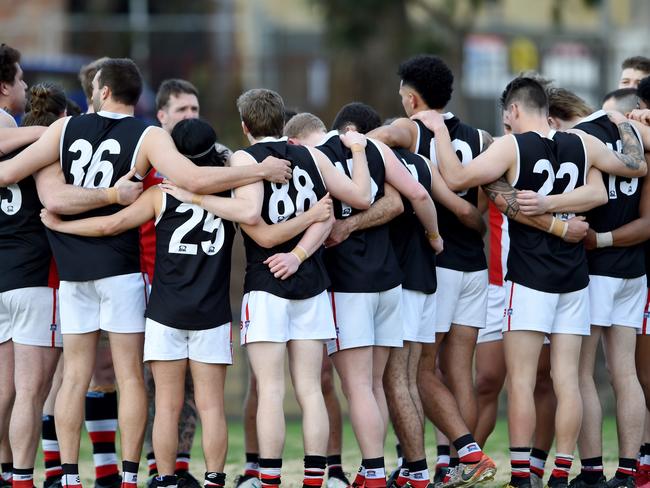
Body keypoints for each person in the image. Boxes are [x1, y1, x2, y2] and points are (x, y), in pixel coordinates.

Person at [0, 58, 292, 488]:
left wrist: (62, 213)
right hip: (120, 269)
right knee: (129, 377)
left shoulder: (64, 129)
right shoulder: (149, 135)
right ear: (139, 99)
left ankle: (67, 477)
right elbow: (191, 177)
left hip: (74, 269)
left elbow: (8, 173)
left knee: (74, 377)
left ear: (100, 90)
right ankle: (131, 474)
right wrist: (258, 169)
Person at [416, 75, 646, 488]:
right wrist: (626, 124)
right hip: (575, 278)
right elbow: (634, 165)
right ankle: (560, 471)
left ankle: (522, 475)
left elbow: (455, 177)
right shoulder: (582, 143)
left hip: (530, 278)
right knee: (567, 379)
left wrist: (437, 133)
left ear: (514, 111)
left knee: (521, 380)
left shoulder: (510, 146)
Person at [232, 88, 373, 488]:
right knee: (311, 388)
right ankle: (316, 478)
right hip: (312, 281)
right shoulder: (314, 155)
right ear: (282, 122)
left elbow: (260, 233)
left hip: (266, 280)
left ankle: (270, 479)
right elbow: (360, 197)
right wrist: (359, 152)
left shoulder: (246, 158)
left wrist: (291, 250)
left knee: (272, 390)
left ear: (245, 127)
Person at [368, 54, 495, 487]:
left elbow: (371, 140)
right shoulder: (480, 136)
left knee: (418, 373)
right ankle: (457, 466)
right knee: (460, 372)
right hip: (474, 267)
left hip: (434, 267)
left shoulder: (410, 128)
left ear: (412, 97)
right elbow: (478, 216)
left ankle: (454, 455)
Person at [547, 87, 650, 488]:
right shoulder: (640, 142)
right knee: (624, 373)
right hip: (633, 271)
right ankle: (628, 470)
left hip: (592, 271)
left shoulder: (582, 137)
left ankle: (591, 470)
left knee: (581, 372)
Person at [0, 83, 66, 488]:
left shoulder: (11, 141)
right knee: (29, 393)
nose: (23, 85)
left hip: (1, 279)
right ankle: (23, 478)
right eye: (19, 78)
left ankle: (6, 473)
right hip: (33, 281)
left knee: (4, 391)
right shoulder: (42, 153)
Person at [141, 78, 204, 488]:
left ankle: (181, 465)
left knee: (194, 385)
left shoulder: (208, 157)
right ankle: (153, 465)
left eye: (195, 110)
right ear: (161, 116)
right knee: (151, 382)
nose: (190, 117)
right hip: (149, 279)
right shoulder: (147, 155)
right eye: (182, 110)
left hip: (198, 283)